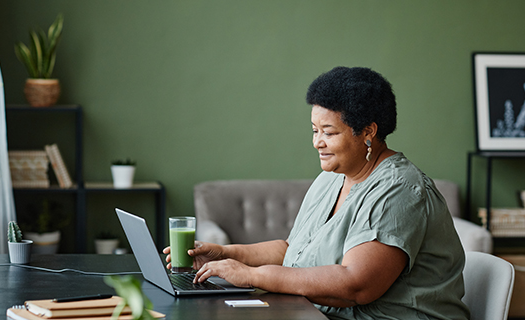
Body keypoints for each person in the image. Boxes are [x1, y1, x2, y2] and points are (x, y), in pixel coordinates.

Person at [163, 67, 470, 320]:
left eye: (329, 132)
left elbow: (355, 285)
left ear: (368, 132)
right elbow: (294, 253)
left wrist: (251, 275)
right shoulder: (332, 178)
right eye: (314, 130)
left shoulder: (400, 191)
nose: (317, 143)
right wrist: (226, 254)